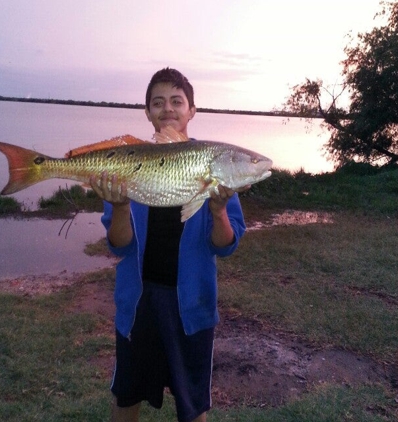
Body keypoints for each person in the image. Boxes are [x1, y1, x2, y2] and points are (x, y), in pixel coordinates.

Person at [90, 67, 247, 422]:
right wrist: (119, 205)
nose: (168, 109)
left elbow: (226, 246)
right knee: (126, 395)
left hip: (191, 303)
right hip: (139, 301)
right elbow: (118, 245)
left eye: (177, 101)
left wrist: (219, 210)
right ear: (147, 112)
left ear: (192, 110)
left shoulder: (213, 163)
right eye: (158, 102)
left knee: (192, 405)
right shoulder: (128, 162)